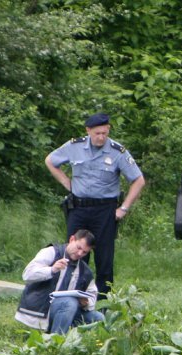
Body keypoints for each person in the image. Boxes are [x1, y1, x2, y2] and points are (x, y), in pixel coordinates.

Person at [45, 112, 146, 297]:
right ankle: (71, 296)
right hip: (78, 208)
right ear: (88, 131)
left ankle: (102, 303)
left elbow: (138, 180)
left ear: (108, 130)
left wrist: (123, 208)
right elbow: (50, 161)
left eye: (104, 133)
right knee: (74, 253)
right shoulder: (74, 146)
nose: (101, 137)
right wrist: (67, 183)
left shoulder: (117, 152)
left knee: (104, 260)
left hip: (105, 210)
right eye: (97, 133)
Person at [15, 230, 104, 334]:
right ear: (72, 240)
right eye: (78, 247)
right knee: (69, 302)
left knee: (99, 317)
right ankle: (56, 342)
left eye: (84, 252)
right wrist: (51, 270)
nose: (80, 253)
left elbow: (92, 294)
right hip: (41, 309)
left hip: (66, 310)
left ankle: (72, 337)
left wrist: (86, 303)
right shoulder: (51, 252)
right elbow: (27, 274)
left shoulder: (85, 270)